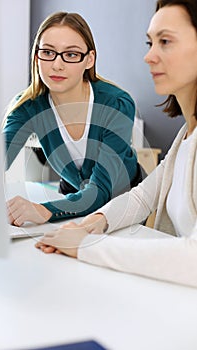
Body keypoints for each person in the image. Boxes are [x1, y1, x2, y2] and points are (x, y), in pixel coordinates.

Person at [36, 0, 197, 288]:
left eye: (165, 41)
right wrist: (92, 223)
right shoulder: (186, 137)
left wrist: (86, 246)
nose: (149, 56)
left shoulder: (114, 103)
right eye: (150, 42)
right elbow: (141, 197)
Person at [3, 11, 143, 227]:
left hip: (122, 203)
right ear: (36, 56)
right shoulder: (26, 106)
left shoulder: (116, 104)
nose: (57, 65)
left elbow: (101, 190)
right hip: (73, 200)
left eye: (71, 55)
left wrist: (43, 210)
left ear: (89, 59)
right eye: (48, 52)